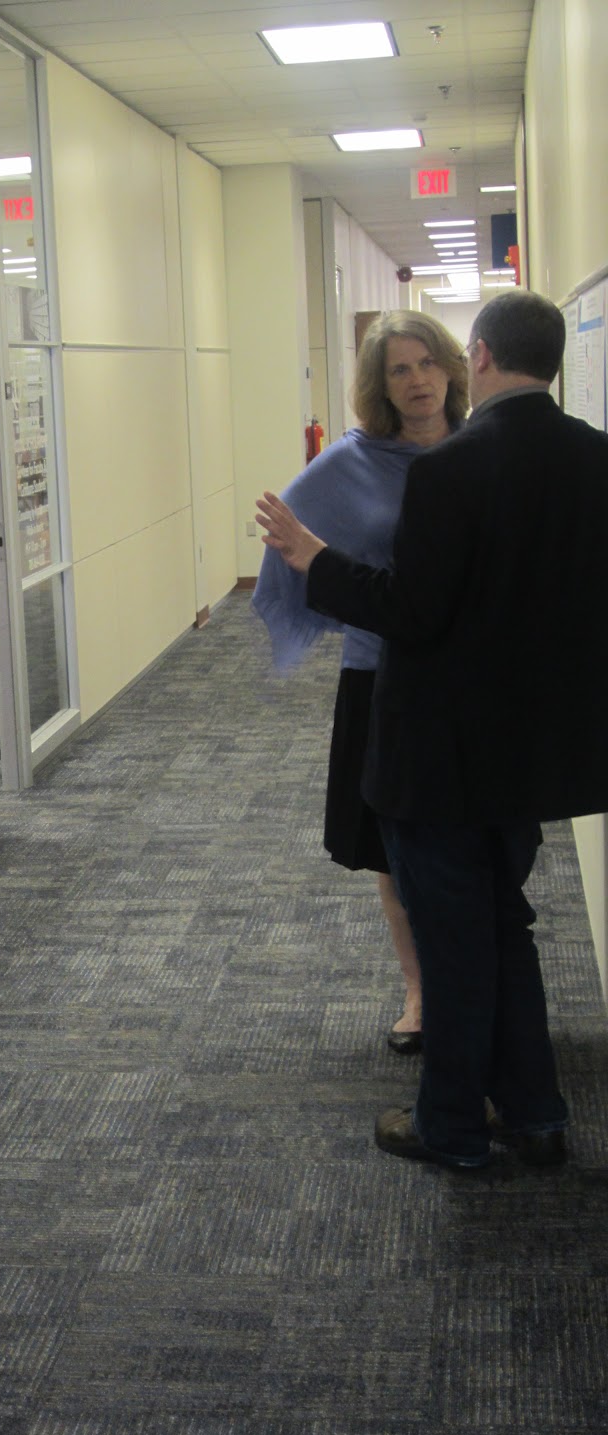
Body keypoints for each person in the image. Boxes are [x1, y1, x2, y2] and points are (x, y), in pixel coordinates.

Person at [256, 289, 608, 1170]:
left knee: (454, 938)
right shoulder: (596, 458)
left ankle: (451, 1125)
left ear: (476, 358)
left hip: (443, 751)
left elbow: (411, 611)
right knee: (504, 923)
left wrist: (313, 560)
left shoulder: (452, 469)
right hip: (536, 751)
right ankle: (535, 1114)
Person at [252, 311, 468, 1053]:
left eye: (428, 363)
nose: (418, 381)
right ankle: (419, 992)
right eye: (399, 370)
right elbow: (292, 540)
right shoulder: (351, 463)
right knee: (393, 847)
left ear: (452, 368)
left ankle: (478, 982)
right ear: (380, 387)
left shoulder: (479, 450)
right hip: (382, 677)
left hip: (474, 679)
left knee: (480, 836)